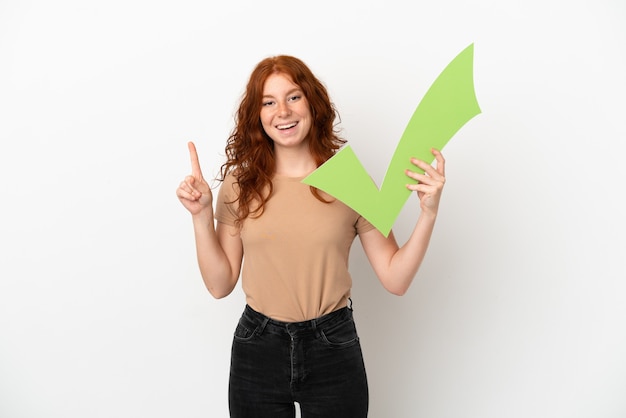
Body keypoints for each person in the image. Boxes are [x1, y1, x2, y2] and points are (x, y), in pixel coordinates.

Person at [176, 55, 446, 418]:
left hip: (332, 346)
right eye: (268, 102)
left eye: (293, 97)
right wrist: (199, 217)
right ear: (257, 115)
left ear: (312, 103)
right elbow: (220, 284)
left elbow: (395, 278)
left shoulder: (349, 180)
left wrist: (428, 213)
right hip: (258, 348)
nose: (282, 112)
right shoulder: (241, 184)